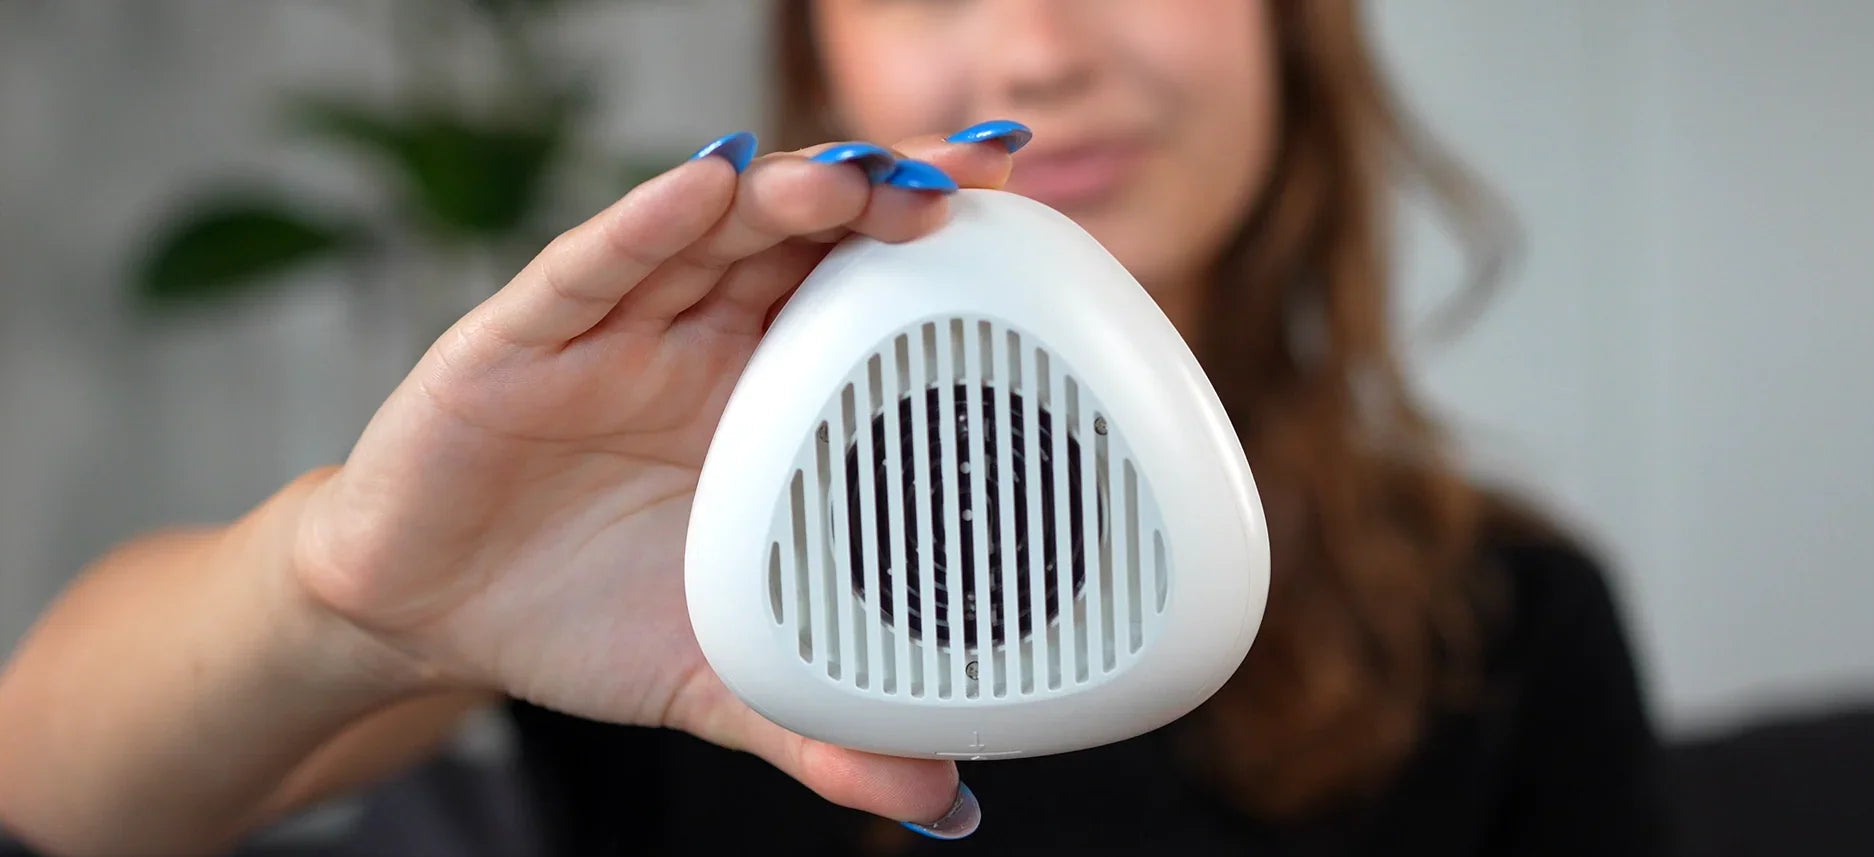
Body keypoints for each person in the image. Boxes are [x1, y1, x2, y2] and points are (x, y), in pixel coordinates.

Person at [0, 1, 1673, 855]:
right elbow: (57, 791)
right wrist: (349, 585)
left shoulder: (1509, 618)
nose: (1033, 43)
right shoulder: (667, 525)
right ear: (822, 65)